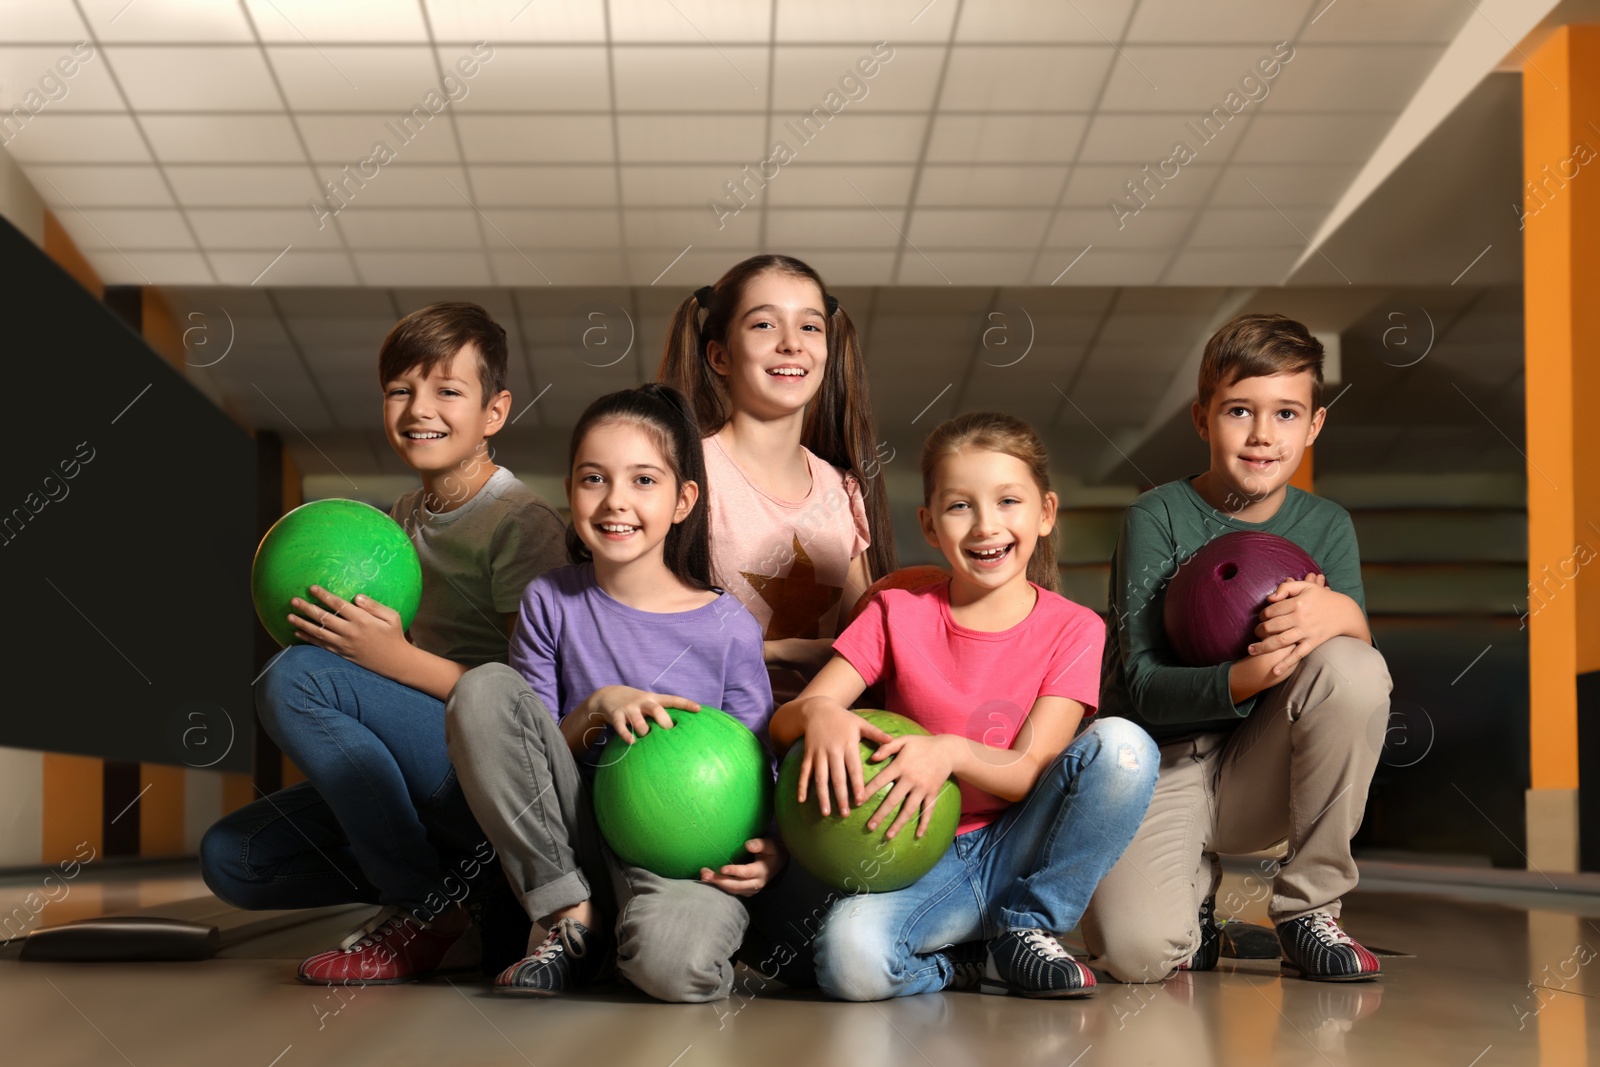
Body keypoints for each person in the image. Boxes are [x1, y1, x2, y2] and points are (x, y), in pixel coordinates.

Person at [200, 302, 567, 984]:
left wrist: (391, 659)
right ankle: (472, 892)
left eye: (446, 390)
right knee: (234, 856)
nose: (417, 408)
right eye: (400, 390)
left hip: (492, 775)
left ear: (495, 411)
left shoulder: (523, 524)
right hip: (422, 769)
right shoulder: (398, 519)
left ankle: (425, 909)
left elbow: (531, 709)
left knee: (290, 679)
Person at [770, 412, 1158, 1000]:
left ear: (1045, 513)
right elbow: (785, 723)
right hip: (919, 857)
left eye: (1008, 501)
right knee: (850, 962)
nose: (985, 526)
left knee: (1125, 747)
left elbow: (1030, 768)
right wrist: (819, 711)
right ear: (928, 523)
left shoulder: (1074, 628)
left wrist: (948, 751)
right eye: (960, 506)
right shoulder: (896, 613)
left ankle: (1028, 925)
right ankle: (969, 965)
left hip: (1019, 844)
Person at [1083, 313, 1393, 984]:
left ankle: (1309, 910)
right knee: (1136, 954)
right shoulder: (1157, 515)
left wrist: (1343, 614)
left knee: (1354, 663)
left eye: (1285, 413)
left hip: (1262, 767)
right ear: (1201, 418)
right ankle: (1191, 901)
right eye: (1238, 411)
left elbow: (1355, 683)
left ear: (1313, 426)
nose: (1261, 434)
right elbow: (1140, 686)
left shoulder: (1326, 524)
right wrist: (1252, 673)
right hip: (1163, 765)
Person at [445, 384, 777, 1002]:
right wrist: (596, 708)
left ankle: (620, 942)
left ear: (684, 501)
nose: (615, 501)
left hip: (683, 858)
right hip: (574, 843)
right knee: (483, 688)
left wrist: (774, 852)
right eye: (593, 479)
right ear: (571, 491)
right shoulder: (550, 600)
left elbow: (763, 770)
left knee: (673, 973)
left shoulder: (730, 625)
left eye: (643, 481)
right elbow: (527, 755)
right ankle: (570, 919)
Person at [658, 254, 895, 702]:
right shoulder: (686, 478)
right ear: (719, 356)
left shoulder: (842, 490)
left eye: (810, 327)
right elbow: (647, 631)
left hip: (814, 742)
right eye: (764, 325)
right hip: (707, 736)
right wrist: (788, 652)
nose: (792, 344)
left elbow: (866, 638)